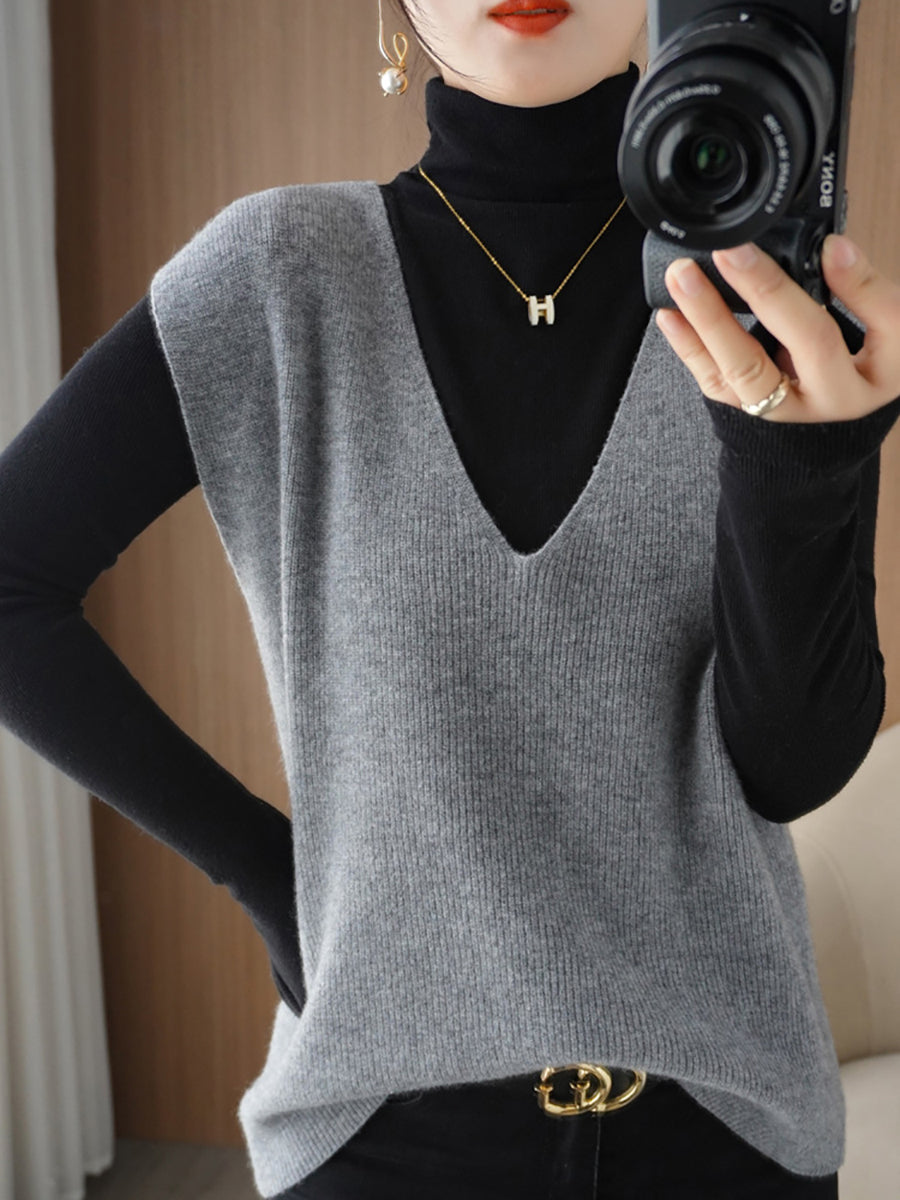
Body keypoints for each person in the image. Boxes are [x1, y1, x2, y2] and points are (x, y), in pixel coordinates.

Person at [2, 0, 900, 1196]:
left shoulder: (760, 291)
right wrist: (272, 876)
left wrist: (807, 463)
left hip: (727, 1135)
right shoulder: (278, 276)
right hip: (380, 1138)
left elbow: (790, 768)